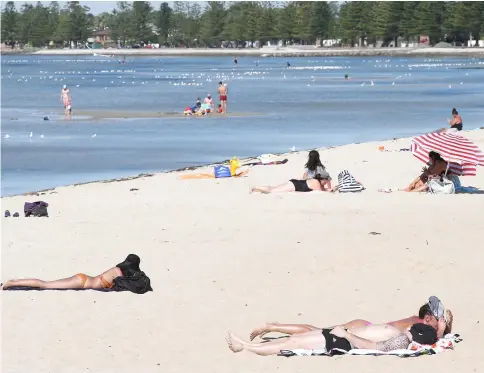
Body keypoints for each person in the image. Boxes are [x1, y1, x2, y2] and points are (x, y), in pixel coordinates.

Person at [249, 297, 453, 341]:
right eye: (439, 318)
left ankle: (275, 326)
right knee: (318, 333)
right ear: (427, 318)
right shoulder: (418, 324)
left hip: (365, 326)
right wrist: (442, 331)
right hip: (365, 330)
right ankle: (272, 326)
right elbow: (429, 340)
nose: (441, 321)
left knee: (317, 330)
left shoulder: (415, 320)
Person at [227, 323, 439, 356]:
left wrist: (346, 334)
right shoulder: (401, 335)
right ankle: (248, 345)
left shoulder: (401, 341)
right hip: (339, 335)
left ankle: (244, 347)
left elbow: (373, 346)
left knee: (291, 344)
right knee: (297, 338)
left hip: (339, 341)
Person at [1, 254, 152, 294]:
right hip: (82, 282)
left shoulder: (118, 270)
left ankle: (12, 283)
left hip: (84, 279)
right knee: (44, 285)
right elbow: (136, 284)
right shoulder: (121, 276)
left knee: (45, 284)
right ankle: (11, 283)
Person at [251, 176, 330, 194]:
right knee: (272, 190)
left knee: (273, 188)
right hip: (293, 186)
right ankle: (256, 188)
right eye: (325, 181)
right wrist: (330, 190)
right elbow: (321, 191)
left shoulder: (315, 181)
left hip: (294, 183)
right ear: (321, 179)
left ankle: (256, 189)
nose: (325, 183)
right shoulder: (316, 182)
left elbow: (323, 189)